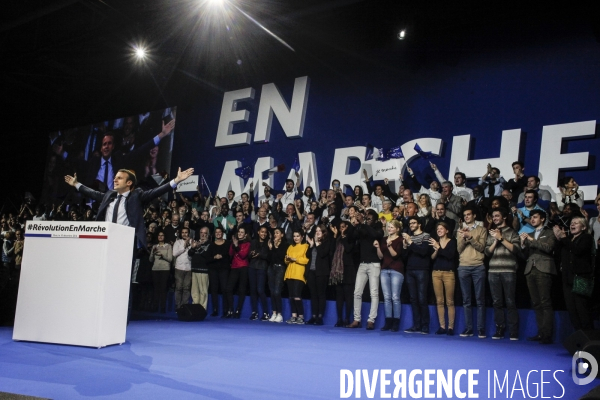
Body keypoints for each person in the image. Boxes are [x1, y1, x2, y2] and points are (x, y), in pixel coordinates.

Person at [64, 166, 194, 249]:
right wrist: (76, 184)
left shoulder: (137, 195)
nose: (115, 180)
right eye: (115, 178)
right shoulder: (109, 195)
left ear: (129, 183)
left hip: (125, 242)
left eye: (119, 178)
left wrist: (176, 181)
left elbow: (156, 192)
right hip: (105, 239)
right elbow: (93, 193)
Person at [520, 210, 557, 344]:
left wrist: (531, 240)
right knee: (536, 303)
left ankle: (547, 334)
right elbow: (525, 256)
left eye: (535, 217)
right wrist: (523, 245)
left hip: (544, 269)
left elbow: (548, 248)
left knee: (545, 302)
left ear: (542, 219)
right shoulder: (529, 234)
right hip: (530, 269)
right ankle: (541, 332)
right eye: (531, 217)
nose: (532, 219)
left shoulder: (549, 232)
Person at [485, 208, 521, 340]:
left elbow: (516, 249)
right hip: (493, 271)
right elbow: (487, 253)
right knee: (497, 302)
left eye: (497, 215)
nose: (494, 218)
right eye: (493, 216)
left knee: (510, 301)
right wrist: (495, 240)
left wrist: (501, 238)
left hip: (508, 271)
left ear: (504, 217)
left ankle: (513, 331)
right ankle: (499, 329)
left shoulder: (512, 232)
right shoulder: (491, 233)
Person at [554, 216, 595, 330]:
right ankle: (579, 337)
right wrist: (559, 239)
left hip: (580, 279)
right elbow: (557, 255)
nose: (572, 224)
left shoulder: (586, 238)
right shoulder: (568, 240)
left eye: (576, 223)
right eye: (571, 223)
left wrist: (564, 238)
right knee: (572, 310)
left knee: (582, 309)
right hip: (567, 279)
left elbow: (578, 250)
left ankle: (589, 338)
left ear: (583, 227)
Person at [347, 209, 383, 330]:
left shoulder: (378, 228)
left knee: (374, 293)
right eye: (366, 217)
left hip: (374, 264)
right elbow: (351, 237)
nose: (367, 219)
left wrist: (363, 223)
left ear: (375, 220)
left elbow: (375, 235)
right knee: (357, 292)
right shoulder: (362, 228)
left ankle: (371, 320)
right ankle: (357, 319)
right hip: (362, 264)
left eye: (369, 218)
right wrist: (354, 224)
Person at [456, 206, 488, 338]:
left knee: (480, 300)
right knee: (466, 300)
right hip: (463, 266)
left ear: (474, 216)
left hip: (478, 266)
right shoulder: (460, 231)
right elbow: (459, 249)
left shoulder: (482, 230)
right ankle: (469, 328)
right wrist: (464, 237)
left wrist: (470, 237)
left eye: (469, 214)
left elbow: (481, 248)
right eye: (465, 215)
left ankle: (481, 329)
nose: (467, 217)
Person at [402, 216, 433, 334]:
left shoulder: (426, 236)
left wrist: (410, 243)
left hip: (422, 270)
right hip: (410, 270)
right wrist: (405, 247)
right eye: (410, 223)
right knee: (413, 299)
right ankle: (416, 325)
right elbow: (404, 256)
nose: (411, 225)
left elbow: (424, 251)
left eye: (414, 223)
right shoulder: (410, 237)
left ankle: (425, 326)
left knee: (422, 298)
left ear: (419, 224)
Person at [375, 219, 404, 332]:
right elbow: (381, 257)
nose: (389, 229)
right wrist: (378, 247)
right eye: (388, 227)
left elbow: (395, 255)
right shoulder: (384, 239)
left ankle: (396, 322)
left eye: (392, 227)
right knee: (387, 297)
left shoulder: (400, 240)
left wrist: (389, 246)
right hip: (384, 270)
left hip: (396, 270)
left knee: (395, 297)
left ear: (397, 229)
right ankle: (388, 322)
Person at [429, 222, 457, 335]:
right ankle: (442, 326)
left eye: (441, 228)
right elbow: (432, 258)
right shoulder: (435, 243)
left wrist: (439, 248)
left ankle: (450, 327)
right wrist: (436, 250)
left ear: (447, 230)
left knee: (449, 301)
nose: (439, 230)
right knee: (439, 301)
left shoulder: (452, 242)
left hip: (449, 273)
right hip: (436, 273)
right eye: (437, 229)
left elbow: (450, 255)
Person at [330, 221, 356, 327]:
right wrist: (336, 236)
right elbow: (331, 250)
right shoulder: (338, 238)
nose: (341, 229)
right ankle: (339, 318)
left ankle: (347, 318)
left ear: (347, 228)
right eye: (340, 227)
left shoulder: (351, 238)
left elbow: (349, 249)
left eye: (343, 227)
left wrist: (344, 237)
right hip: (337, 271)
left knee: (348, 296)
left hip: (348, 270)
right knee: (339, 296)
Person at [306, 224, 334, 325]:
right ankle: (313, 316)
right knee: (313, 295)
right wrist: (311, 245)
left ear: (323, 233)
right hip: (311, 271)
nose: (317, 232)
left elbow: (323, 254)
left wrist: (317, 244)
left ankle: (320, 317)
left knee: (321, 294)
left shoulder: (327, 242)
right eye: (316, 230)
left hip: (322, 272)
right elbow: (308, 255)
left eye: (319, 231)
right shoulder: (314, 242)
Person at [284, 230, 310, 324]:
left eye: (298, 236)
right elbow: (286, 261)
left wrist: (295, 259)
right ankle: (294, 316)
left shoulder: (306, 246)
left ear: (302, 237)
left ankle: (301, 316)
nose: (296, 238)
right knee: (291, 296)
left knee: (296, 295)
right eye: (294, 236)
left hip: (299, 274)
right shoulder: (290, 246)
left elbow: (307, 260)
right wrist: (288, 259)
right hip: (290, 273)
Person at [225, 227, 251, 318]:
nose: (240, 233)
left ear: (245, 234)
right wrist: (234, 245)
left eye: (242, 232)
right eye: (239, 232)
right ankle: (231, 309)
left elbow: (243, 255)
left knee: (241, 290)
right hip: (234, 267)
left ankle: (238, 310)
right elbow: (230, 254)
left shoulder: (247, 243)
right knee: (228, 288)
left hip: (243, 267)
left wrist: (236, 246)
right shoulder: (234, 242)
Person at [248, 226, 271, 321]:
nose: (264, 234)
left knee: (260, 290)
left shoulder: (268, 243)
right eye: (262, 232)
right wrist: (252, 253)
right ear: (258, 232)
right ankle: (254, 312)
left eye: (265, 232)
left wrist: (260, 255)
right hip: (252, 267)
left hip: (262, 267)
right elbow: (249, 255)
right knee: (253, 290)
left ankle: (265, 313)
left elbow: (269, 257)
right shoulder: (253, 242)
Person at [207, 227, 230, 317]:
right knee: (214, 290)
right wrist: (214, 257)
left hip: (224, 269)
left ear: (222, 233)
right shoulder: (212, 245)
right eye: (216, 232)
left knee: (224, 289)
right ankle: (215, 310)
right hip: (213, 270)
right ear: (214, 234)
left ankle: (225, 310)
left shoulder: (228, 243)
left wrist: (222, 256)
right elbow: (207, 259)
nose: (218, 233)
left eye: (220, 232)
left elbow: (230, 255)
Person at [267, 228, 289, 322]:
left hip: (280, 268)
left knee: (277, 291)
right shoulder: (271, 244)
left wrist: (275, 247)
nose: (275, 234)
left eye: (277, 233)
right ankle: (274, 312)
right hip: (271, 268)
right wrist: (271, 248)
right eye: (274, 233)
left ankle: (280, 314)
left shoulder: (285, 245)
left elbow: (280, 257)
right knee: (272, 292)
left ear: (282, 235)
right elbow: (270, 258)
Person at [149, 231, 172, 313]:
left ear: (164, 237)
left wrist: (163, 256)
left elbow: (170, 259)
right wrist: (152, 253)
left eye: (162, 235)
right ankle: (155, 307)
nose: (160, 237)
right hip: (155, 269)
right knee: (156, 289)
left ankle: (162, 308)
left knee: (163, 289)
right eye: (159, 235)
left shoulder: (168, 246)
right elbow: (151, 260)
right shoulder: (155, 246)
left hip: (165, 269)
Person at [188, 227, 211, 310]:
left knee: (203, 291)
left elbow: (207, 256)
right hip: (194, 269)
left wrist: (199, 247)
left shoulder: (209, 244)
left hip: (203, 271)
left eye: (205, 233)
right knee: (194, 291)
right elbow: (190, 254)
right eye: (201, 232)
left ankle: (202, 309)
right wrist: (193, 247)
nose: (203, 234)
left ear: (208, 234)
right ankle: (195, 308)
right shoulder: (196, 243)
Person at [172, 227, 193, 309]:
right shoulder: (178, 242)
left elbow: (192, 255)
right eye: (183, 232)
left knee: (186, 288)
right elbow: (174, 253)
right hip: (179, 268)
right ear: (181, 234)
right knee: (179, 288)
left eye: (186, 232)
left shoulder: (192, 242)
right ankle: (178, 306)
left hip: (188, 268)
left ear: (189, 233)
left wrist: (191, 245)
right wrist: (184, 246)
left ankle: (184, 306)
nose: (184, 234)